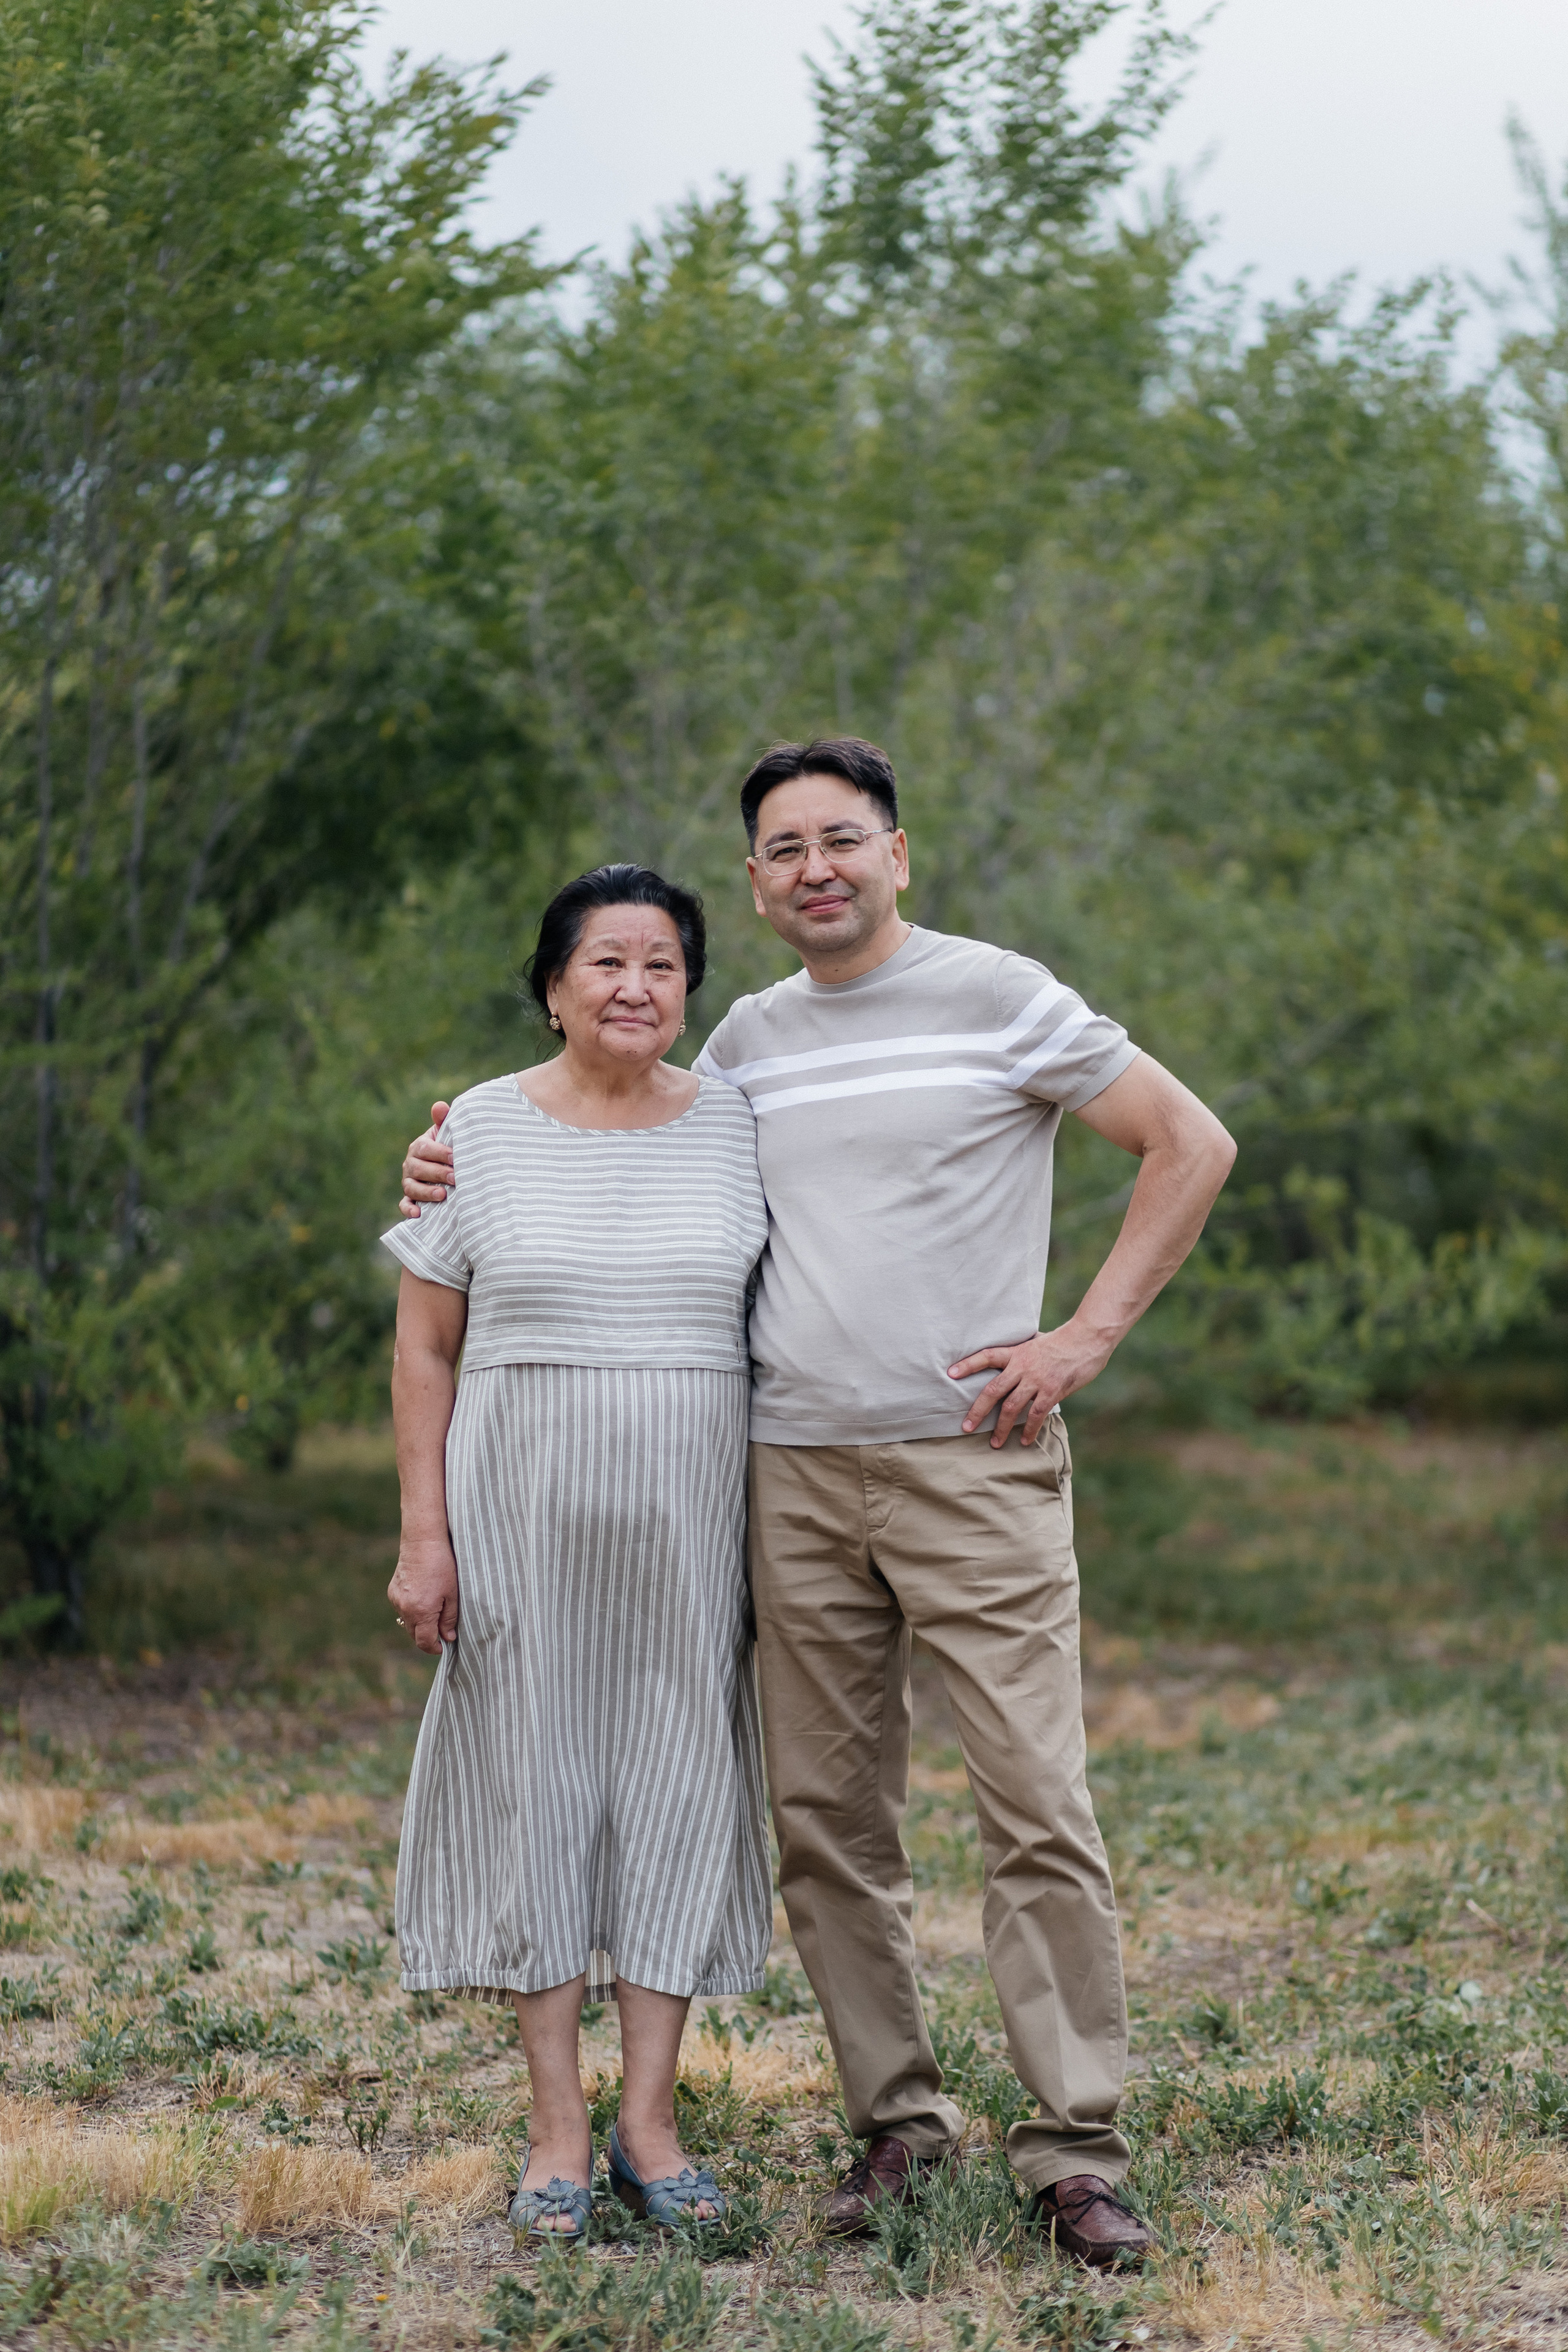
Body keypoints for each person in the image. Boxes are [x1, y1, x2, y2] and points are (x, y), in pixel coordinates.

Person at [399, 742, 1235, 2269]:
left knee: (1034, 1810)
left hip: (968, 1460)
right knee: (826, 1829)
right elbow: (610, 1149)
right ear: (756, 884)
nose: (814, 869)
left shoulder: (1002, 997)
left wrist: (1080, 1340)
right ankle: (897, 2132)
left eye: (840, 840)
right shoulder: (746, 1048)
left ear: (897, 855)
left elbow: (1190, 1144)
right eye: (782, 850)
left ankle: (1071, 2153)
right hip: (783, 1477)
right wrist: (455, 1157)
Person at [382, 862, 771, 2243]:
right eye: (605, 962)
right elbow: (425, 1343)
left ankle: (646, 2126)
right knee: (532, 1797)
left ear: (688, 992)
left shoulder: (739, 1122)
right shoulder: (473, 1131)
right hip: (518, 1528)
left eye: (662, 964)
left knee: (675, 1793)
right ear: (552, 989)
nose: (634, 986)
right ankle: (553, 2129)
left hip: (690, 1533)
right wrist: (425, 1535)